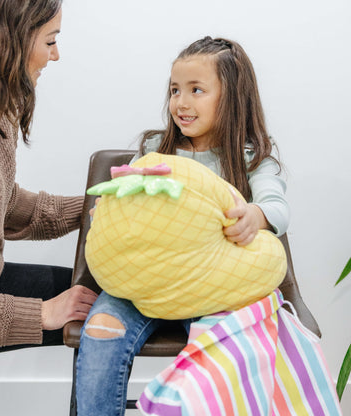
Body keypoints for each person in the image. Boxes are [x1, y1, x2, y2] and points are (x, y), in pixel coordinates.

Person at [75, 36, 290, 415]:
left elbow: (276, 206)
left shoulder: (251, 158)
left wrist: (255, 216)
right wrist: (111, 214)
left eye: (196, 90)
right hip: (142, 283)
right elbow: (130, 200)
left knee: (221, 352)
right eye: (175, 90)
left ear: (233, 98)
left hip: (211, 284)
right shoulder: (156, 149)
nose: (181, 102)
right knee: (100, 333)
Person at [0, 1, 98, 415]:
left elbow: (2, 204)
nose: (55, 55)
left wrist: (99, 205)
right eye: (50, 40)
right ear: (9, 38)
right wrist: (41, 313)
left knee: (100, 304)